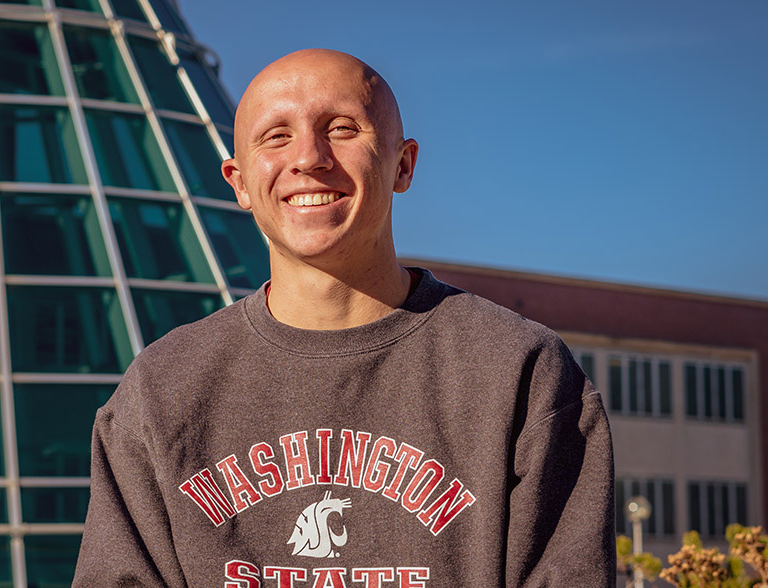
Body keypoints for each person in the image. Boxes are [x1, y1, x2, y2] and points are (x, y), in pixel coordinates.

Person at [72, 49, 614, 587]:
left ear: (402, 164)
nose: (308, 156)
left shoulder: (520, 372)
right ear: (238, 181)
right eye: (276, 135)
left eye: (342, 128)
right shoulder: (162, 389)